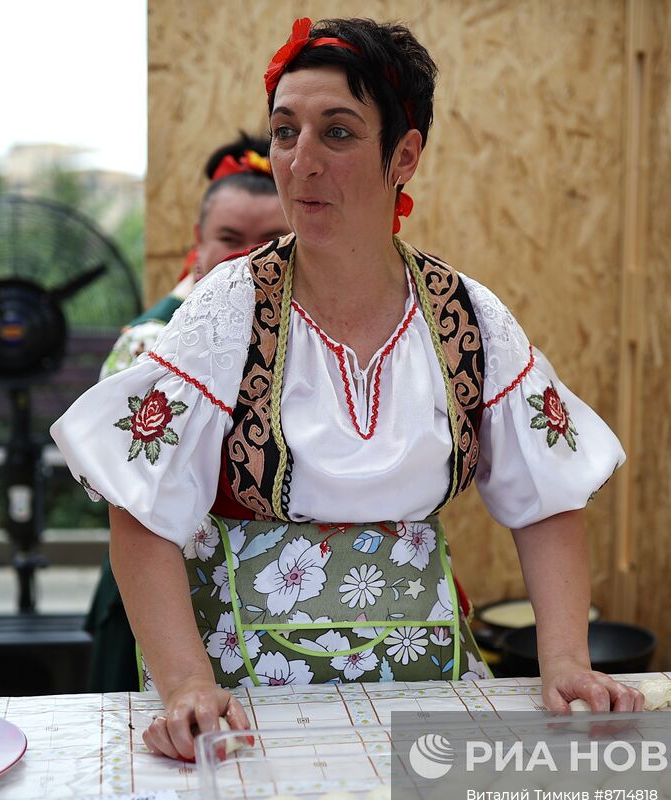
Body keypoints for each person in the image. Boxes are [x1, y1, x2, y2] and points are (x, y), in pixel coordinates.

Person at [53, 16, 640, 761]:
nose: (302, 162)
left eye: (337, 133)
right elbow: (139, 508)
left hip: (430, 687)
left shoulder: (464, 316)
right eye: (285, 131)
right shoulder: (230, 306)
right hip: (246, 702)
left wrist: (565, 662)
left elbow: (548, 497)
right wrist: (185, 687)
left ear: (405, 154)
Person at [83, 133, 290, 692]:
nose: (246, 254)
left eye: (272, 238)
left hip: (278, 594)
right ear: (197, 241)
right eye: (229, 238)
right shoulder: (151, 343)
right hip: (163, 585)